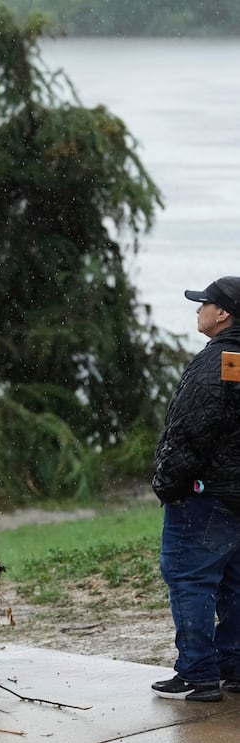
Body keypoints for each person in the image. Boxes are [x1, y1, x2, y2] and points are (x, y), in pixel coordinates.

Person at [151, 276, 240, 702]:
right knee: (236, 584)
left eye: (204, 303)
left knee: (191, 579)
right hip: (237, 498)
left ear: (222, 312)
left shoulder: (215, 362)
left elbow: (188, 432)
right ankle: (234, 668)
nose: (198, 309)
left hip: (205, 497)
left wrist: (168, 485)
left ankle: (197, 674)